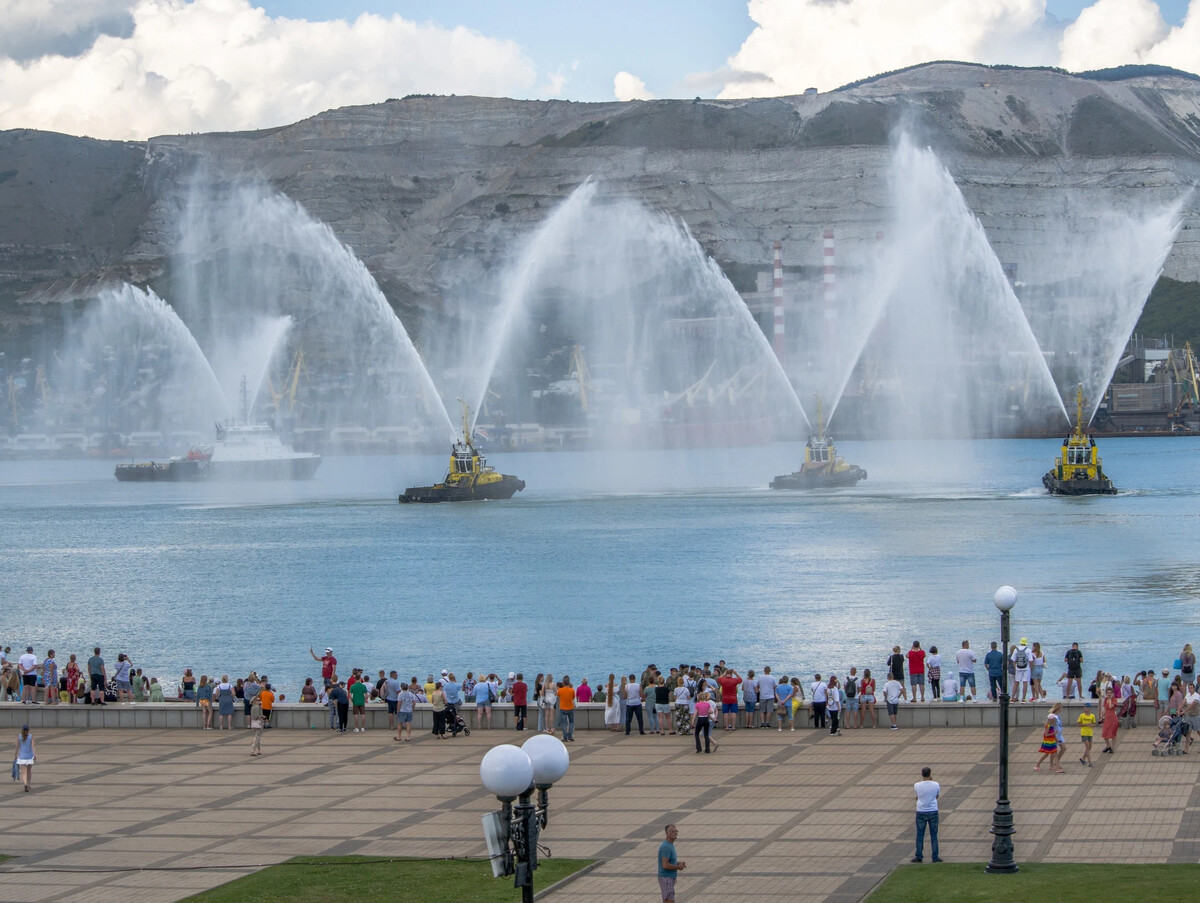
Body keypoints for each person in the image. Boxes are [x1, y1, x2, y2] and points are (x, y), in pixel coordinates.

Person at [912, 767, 941, 863]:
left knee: (920, 835)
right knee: (934, 835)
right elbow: (936, 796)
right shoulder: (936, 784)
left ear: (922, 774)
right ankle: (935, 856)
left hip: (921, 811)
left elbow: (918, 797)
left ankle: (919, 856)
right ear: (930, 774)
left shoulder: (917, 785)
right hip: (933, 811)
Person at [658, 824, 686, 903]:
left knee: (667, 900)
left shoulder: (670, 845)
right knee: (669, 900)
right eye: (672, 831)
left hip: (668, 878)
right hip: (666, 878)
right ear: (667, 833)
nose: (675, 833)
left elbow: (668, 861)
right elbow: (665, 865)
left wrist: (678, 863)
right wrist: (678, 867)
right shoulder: (666, 847)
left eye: (676, 831)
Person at [1034, 703, 1065, 773]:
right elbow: (1046, 734)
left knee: (1051, 754)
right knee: (1050, 754)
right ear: (1051, 721)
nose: (1055, 722)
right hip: (1049, 742)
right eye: (1054, 721)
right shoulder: (1049, 726)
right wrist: (1054, 734)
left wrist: (1056, 739)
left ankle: (1038, 765)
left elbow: (1052, 735)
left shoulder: (1051, 725)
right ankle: (1055, 768)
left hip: (1052, 741)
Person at [13, 725, 36, 792]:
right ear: (28, 730)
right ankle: (28, 785)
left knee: (24, 773)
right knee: (29, 772)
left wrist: (15, 755)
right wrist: (35, 754)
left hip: (22, 757)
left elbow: (17, 746)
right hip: (29, 757)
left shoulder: (19, 736)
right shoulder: (30, 736)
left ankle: (25, 784)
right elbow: (33, 745)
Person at [1100, 686, 1120, 753]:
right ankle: (1108, 745)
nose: (1109, 694)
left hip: (1113, 718)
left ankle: (1113, 748)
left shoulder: (1114, 699)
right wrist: (1102, 716)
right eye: (1107, 693)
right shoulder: (1105, 699)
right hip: (1107, 718)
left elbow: (1110, 706)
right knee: (1105, 733)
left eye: (1110, 693)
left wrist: (1111, 699)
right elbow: (1105, 708)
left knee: (1113, 733)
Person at [557, 675, 576, 741]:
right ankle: (570, 736)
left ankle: (565, 737)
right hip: (570, 707)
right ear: (569, 683)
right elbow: (573, 698)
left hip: (562, 708)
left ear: (563, 683)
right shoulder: (572, 690)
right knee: (571, 722)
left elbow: (558, 695)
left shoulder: (560, 690)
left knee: (564, 723)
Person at [1078, 701, 1095, 766]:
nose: (1085, 709)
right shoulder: (1082, 715)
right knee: (1087, 746)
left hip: (1090, 733)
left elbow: (1094, 724)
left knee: (1089, 747)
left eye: (1086, 708)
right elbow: (1079, 724)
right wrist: (1084, 724)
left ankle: (1083, 758)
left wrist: (1091, 725)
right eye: (1084, 708)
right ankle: (1090, 762)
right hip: (1084, 732)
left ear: (1089, 709)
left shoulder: (1092, 716)